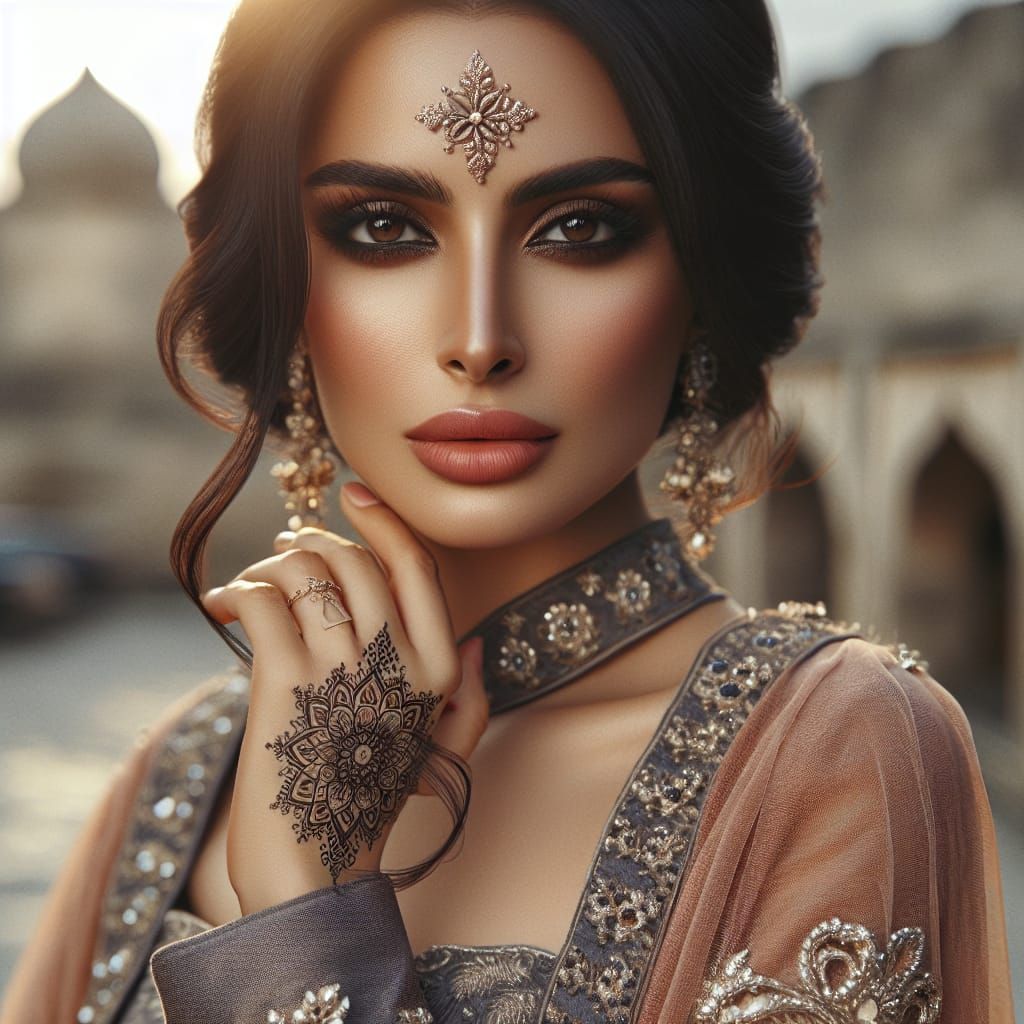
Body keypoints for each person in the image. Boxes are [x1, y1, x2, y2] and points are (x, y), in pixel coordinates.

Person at [2, 0, 1015, 1021]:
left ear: (698, 280)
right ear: (288, 291)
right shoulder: (194, 761)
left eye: (579, 230)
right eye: (384, 230)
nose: (479, 337)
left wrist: (302, 919)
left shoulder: (833, 748)